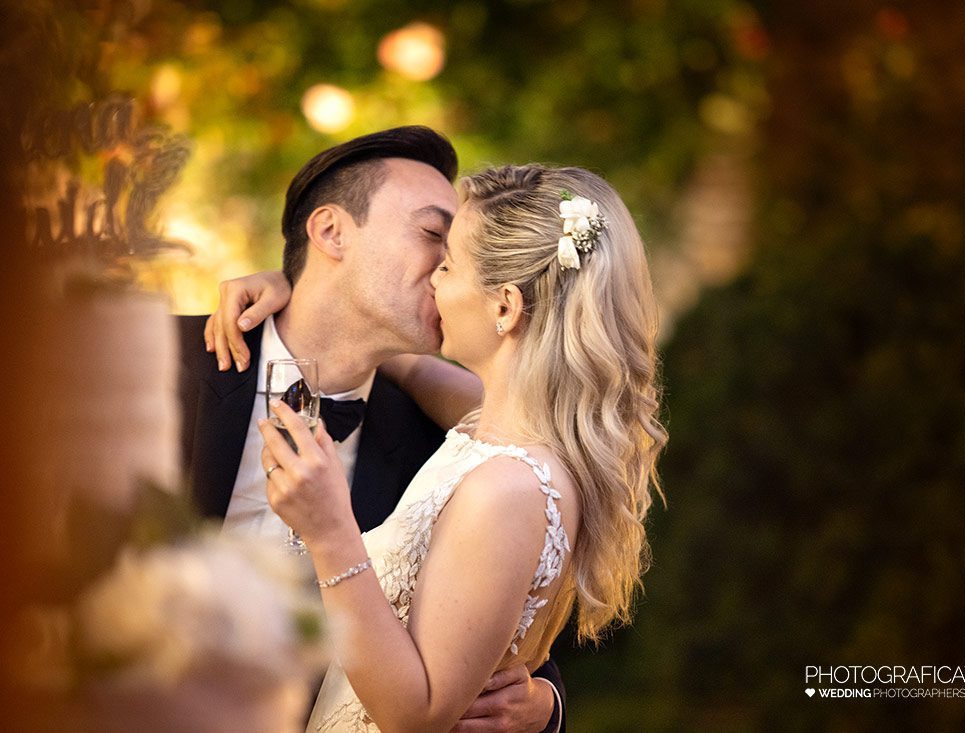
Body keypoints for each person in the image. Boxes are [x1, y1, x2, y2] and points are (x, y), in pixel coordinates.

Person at [209, 162, 667, 732]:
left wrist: (330, 531)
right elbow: (416, 370)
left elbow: (418, 714)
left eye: (447, 264)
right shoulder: (506, 428)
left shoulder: (506, 488)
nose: (433, 279)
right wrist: (304, 290)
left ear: (505, 307)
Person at [176, 126, 564, 732]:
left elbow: (505, 637)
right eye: (434, 235)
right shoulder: (154, 362)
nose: (450, 267)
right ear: (331, 232)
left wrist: (545, 707)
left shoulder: (444, 449)